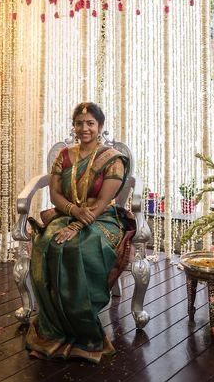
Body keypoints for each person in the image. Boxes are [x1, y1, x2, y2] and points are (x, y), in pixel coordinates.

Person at [26, 102, 135, 363]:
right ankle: (53, 330)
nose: (84, 128)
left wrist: (78, 225)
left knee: (77, 248)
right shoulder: (64, 156)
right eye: (79, 123)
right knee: (46, 243)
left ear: (99, 127)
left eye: (90, 123)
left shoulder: (112, 159)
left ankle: (84, 333)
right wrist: (74, 213)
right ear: (73, 126)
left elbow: (101, 204)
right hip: (67, 213)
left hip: (102, 219)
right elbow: (55, 194)